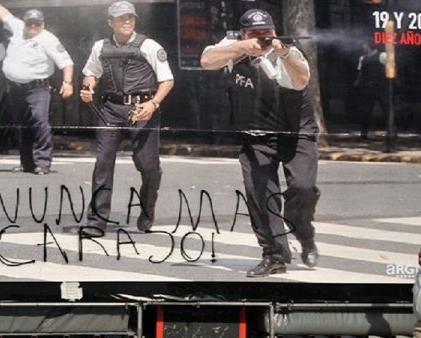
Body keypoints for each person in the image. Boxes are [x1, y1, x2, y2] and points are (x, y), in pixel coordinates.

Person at [200, 9, 320, 277]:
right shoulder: (234, 47)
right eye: (255, 33)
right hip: (256, 136)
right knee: (259, 197)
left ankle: (304, 234)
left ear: (275, 31)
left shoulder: (287, 52)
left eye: (267, 33)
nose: (262, 38)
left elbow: (301, 79)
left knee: (302, 188)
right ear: (243, 34)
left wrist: (283, 53)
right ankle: (274, 254)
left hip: (295, 134)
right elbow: (207, 60)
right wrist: (245, 47)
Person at [79, 1, 174, 234]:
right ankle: (96, 221)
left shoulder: (149, 46)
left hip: (142, 109)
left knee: (148, 165)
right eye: (121, 18)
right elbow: (91, 72)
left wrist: (152, 104)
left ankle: (147, 209)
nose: (127, 22)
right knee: (103, 163)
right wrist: (88, 87)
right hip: (110, 110)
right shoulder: (100, 46)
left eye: (130, 18)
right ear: (111, 22)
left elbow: (167, 80)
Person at [0, 0, 74, 175]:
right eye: (29, 23)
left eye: (36, 24)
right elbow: (3, 13)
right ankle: (26, 163)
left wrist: (67, 82)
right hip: (15, 88)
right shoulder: (18, 28)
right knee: (20, 125)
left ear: (43, 24)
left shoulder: (48, 39)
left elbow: (66, 62)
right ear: (24, 23)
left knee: (40, 122)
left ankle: (42, 162)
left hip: (37, 89)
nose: (32, 27)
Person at [353, 41, 387, 140]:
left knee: (386, 109)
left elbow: (389, 68)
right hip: (368, 88)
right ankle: (364, 133)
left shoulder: (382, 56)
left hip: (381, 87)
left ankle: (391, 131)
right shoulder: (363, 58)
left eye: (364, 45)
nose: (363, 47)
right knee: (366, 111)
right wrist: (358, 83)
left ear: (368, 46)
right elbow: (360, 73)